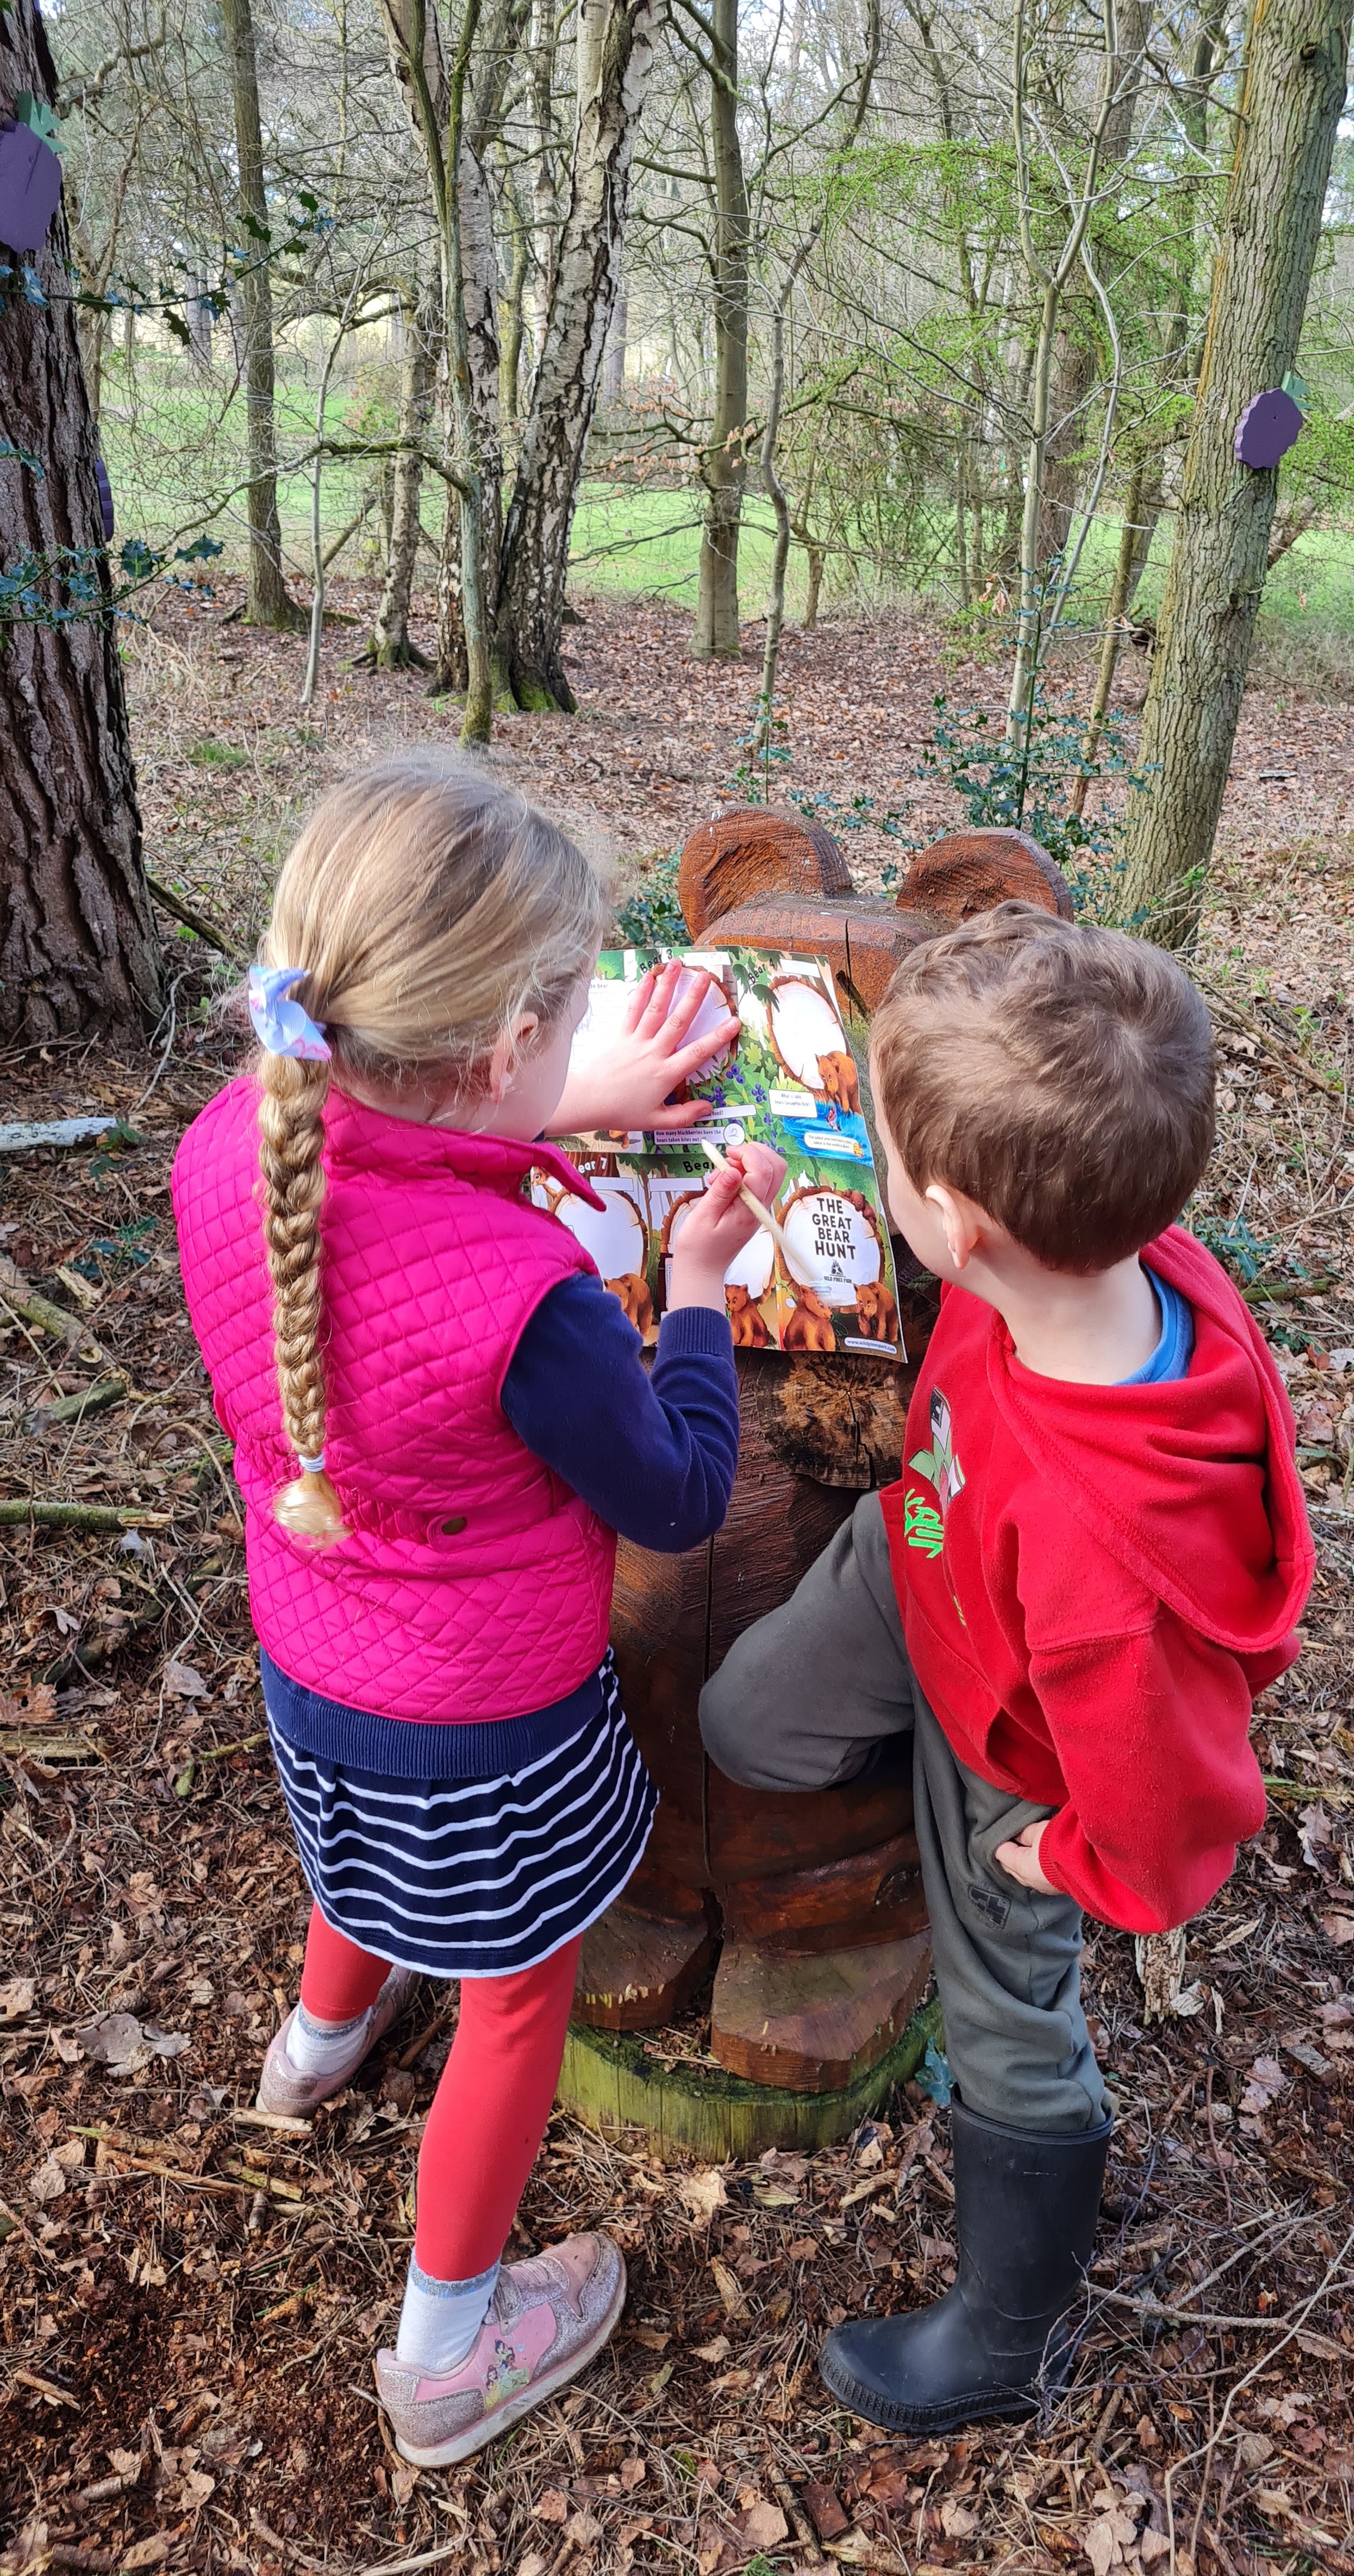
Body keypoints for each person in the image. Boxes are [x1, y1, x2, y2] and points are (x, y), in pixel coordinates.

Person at [172, 754, 785, 2469]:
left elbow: (390, 1216)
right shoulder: (533, 1305)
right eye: (564, 1029)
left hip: (315, 1665)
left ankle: (319, 2044)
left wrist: (566, 1106)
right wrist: (692, 1292)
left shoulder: (239, 1141)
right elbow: (670, 1490)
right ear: (499, 1047)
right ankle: (451, 2341)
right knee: (518, 1993)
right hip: (488, 1727)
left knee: (348, 1857)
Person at [699, 903, 1313, 2434]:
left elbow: (1176, 1806)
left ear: (960, 1224)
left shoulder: (1111, 1559)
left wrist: (1079, 1852)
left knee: (1008, 2012)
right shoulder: (1091, 1250)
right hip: (935, 1554)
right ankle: (909, 1782)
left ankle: (1002, 2335)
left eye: (881, 1152)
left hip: (1030, 1748)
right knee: (744, 1722)